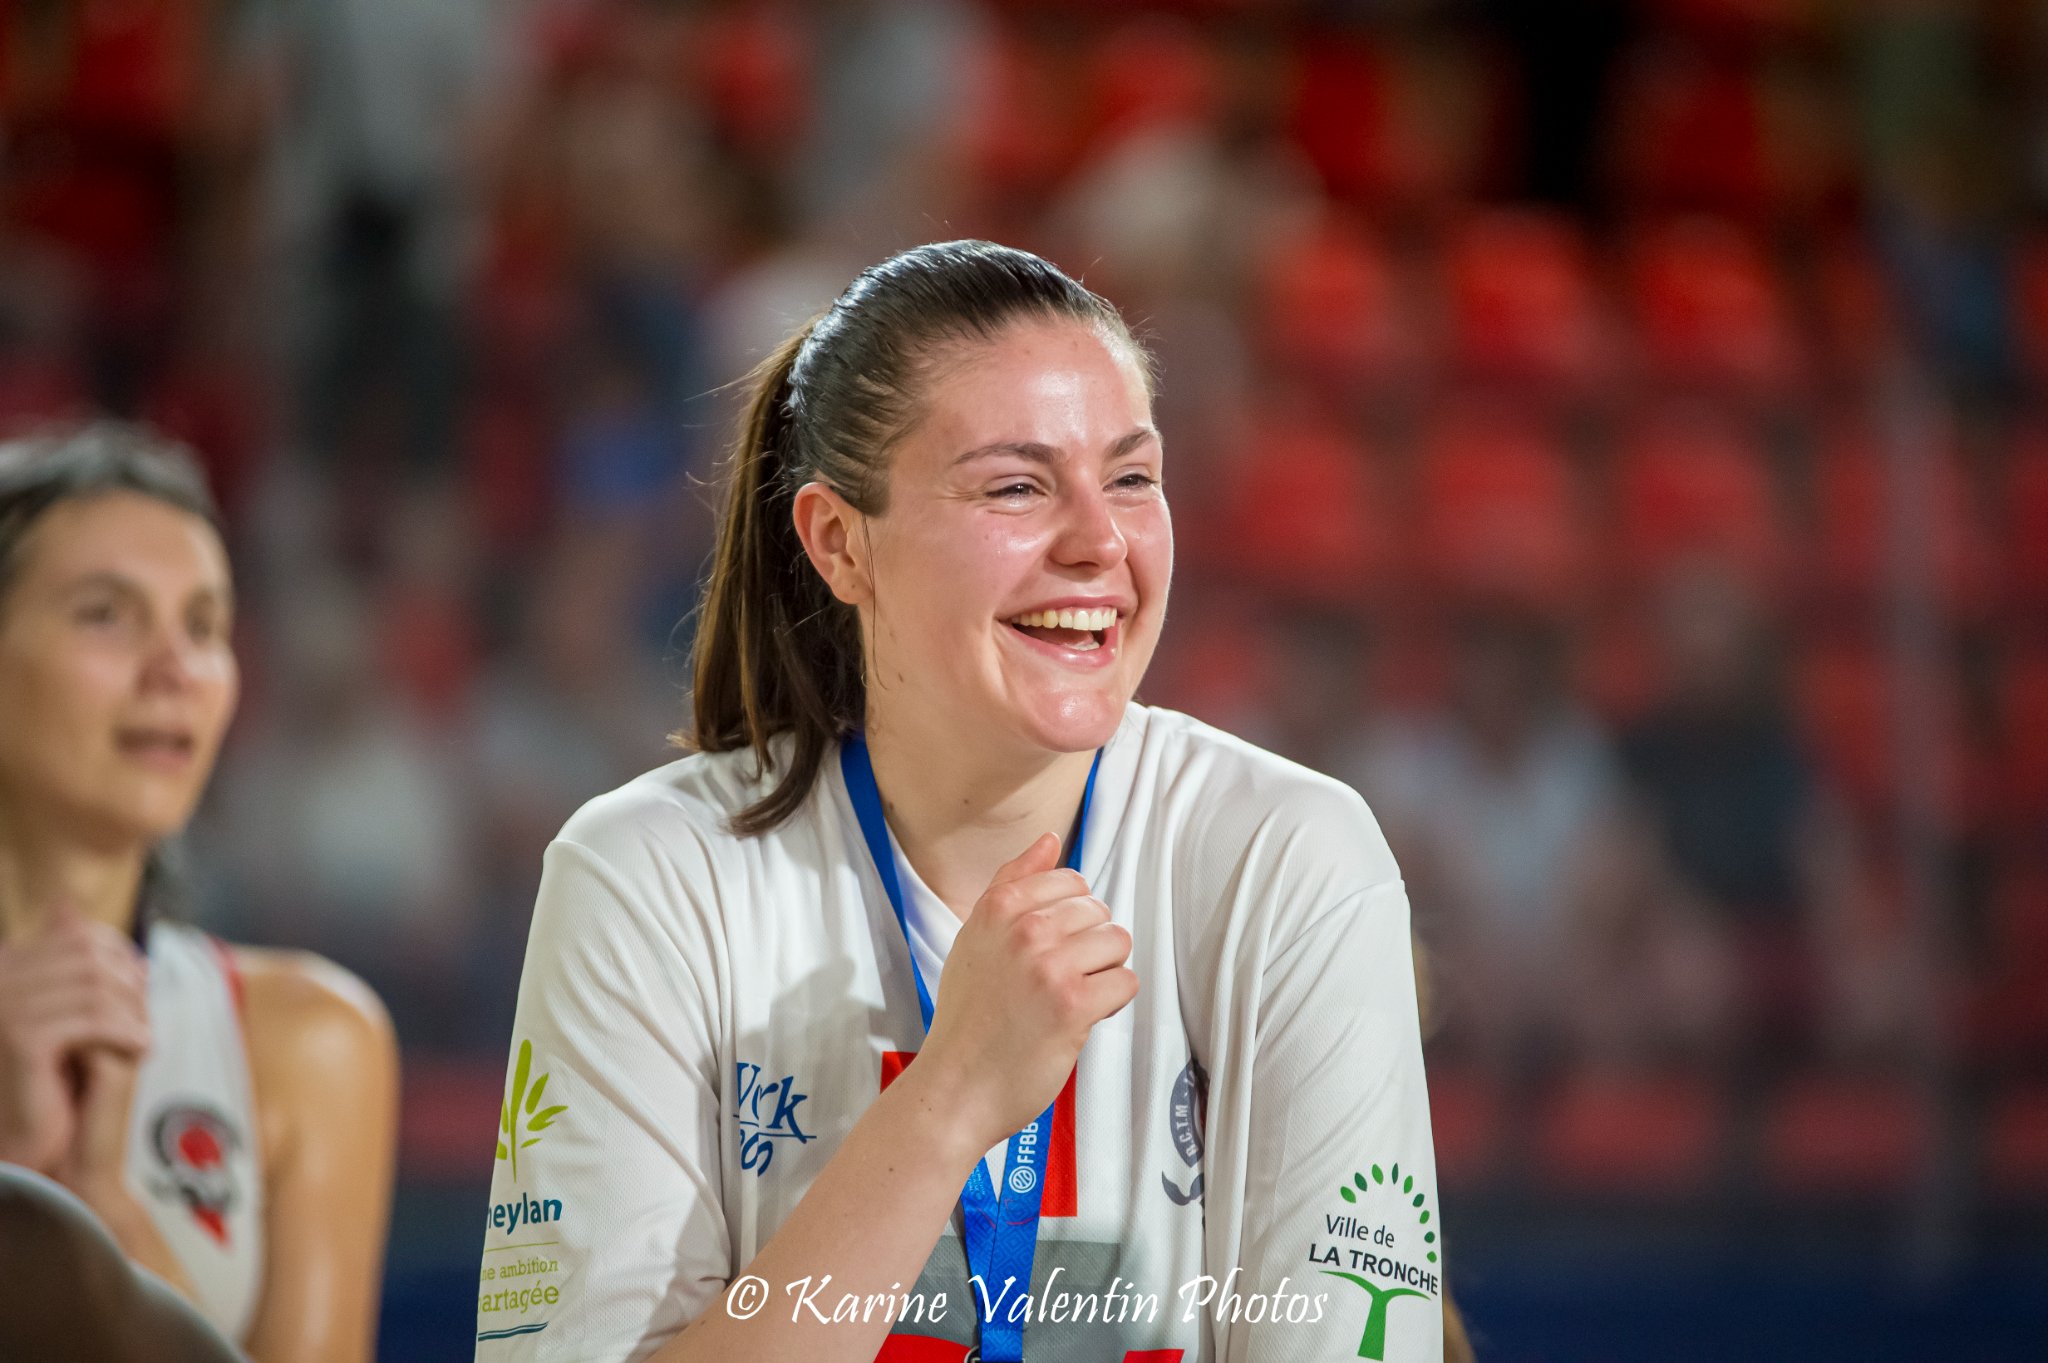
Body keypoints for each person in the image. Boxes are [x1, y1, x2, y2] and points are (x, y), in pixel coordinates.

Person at [475, 241, 1442, 1362]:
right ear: (840, 542)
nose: (1099, 543)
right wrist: (949, 1103)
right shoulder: (644, 876)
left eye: (1131, 478)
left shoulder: (1290, 858)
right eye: (1016, 486)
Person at [0, 424, 399, 1362]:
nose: (174, 670)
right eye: (106, 613)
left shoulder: (309, 1038)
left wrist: (101, 1211)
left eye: (205, 626)